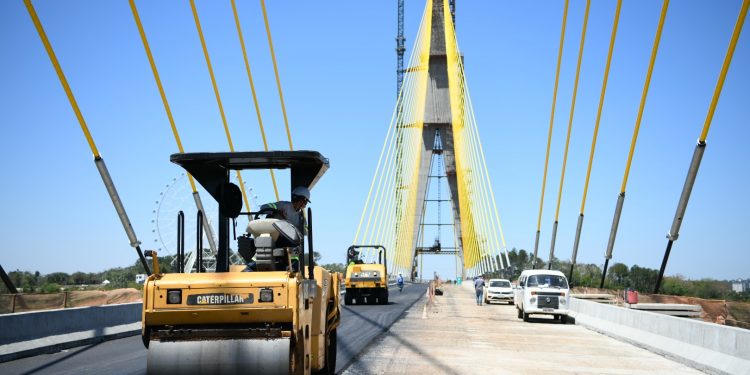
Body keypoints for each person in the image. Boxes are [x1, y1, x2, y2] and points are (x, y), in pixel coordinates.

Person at [255, 186, 311, 272]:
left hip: (287, 241)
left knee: (296, 242)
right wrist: (275, 210)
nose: (305, 205)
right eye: (305, 202)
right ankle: (254, 262)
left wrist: (298, 229)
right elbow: (264, 207)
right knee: (264, 242)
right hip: (274, 237)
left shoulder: (300, 216)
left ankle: (293, 264)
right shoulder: (283, 205)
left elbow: (305, 231)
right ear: (300, 199)